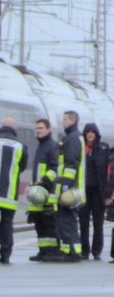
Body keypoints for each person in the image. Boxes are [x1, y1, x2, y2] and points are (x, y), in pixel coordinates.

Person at [0, 117, 27, 264]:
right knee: (7, 223)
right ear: (15, 129)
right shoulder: (21, 146)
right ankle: (5, 254)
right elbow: (22, 167)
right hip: (10, 193)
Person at [26, 119, 61, 261]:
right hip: (38, 191)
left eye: (41, 128)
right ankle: (43, 250)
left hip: (47, 191)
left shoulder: (52, 146)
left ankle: (52, 251)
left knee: (49, 223)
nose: (38, 130)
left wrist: (44, 181)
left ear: (48, 129)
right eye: (37, 128)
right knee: (39, 222)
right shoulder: (41, 146)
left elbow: (55, 168)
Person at [55, 111, 85, 261]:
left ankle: (72, 251)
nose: (63, 121)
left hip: (70, 187)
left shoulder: (72, 139)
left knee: (67, 221)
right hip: (73, 186)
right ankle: (69, 250)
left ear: (73, 120)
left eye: (65, 119)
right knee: (67, 220)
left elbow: (71, 164)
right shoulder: (74, 137)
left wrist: (65, 185)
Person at [78, 123, 109, 260]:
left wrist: (108, 192)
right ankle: (84, 250)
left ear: (96, 134)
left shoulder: (103, 148)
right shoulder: (80, 148)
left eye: (92, 132)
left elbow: (108, 170)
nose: (90, 134)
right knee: (83, 222)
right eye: (88, 132)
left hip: (98, 191)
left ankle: (97, 250)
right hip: (83, 191)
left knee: (98, 222)